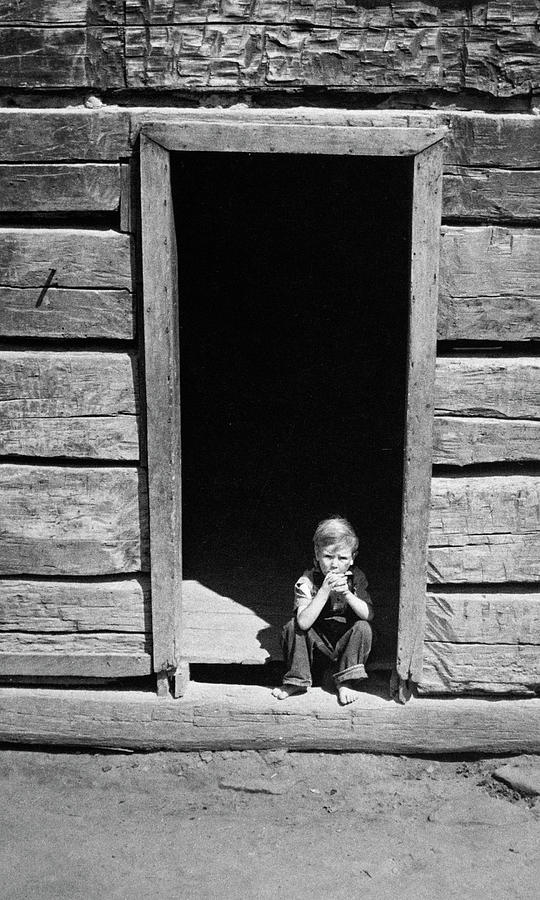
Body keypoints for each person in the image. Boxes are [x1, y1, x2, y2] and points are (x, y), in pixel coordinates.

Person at [272, 516, 373, 705]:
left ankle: (346, 681)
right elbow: (304, 622)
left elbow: (369, 615)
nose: (334, 564)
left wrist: (348, 595)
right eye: (328, 556)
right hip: (316, 647)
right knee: (293, 627)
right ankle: (297, 679)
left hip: (344, 645)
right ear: (317, 555)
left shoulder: (357, 578)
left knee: (364, 627)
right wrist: (324, 590)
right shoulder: (307, 581)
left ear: (352, 558)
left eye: (342, 558)